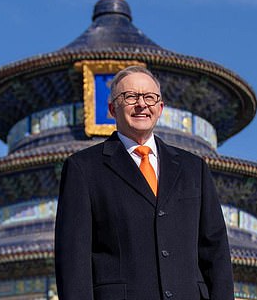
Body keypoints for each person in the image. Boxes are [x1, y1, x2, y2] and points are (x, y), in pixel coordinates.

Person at [55, 66, 234, 300]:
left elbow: (215, 251)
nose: (142, 104)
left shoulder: (193, 168)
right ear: (111, 108)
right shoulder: (84, 169)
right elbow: (73, 261)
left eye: (150, 97)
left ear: (160, 108)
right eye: (130, 97)